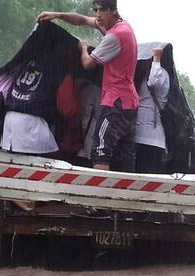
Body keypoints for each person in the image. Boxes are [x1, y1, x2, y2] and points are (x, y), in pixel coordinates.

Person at [37, 0, 139, 172]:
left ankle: (97, 197)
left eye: (101, 10)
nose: (97, 14)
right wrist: (58, 15)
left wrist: (83, 47)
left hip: (116, 101)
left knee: (100, 151)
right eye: (95, 10)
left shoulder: (115, 36)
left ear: (113, 10)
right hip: (129, 102)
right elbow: (83, 20)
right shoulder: (123, 27)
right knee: (124, 156)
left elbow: (87, 64)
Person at [135, 48, 170, 173]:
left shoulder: (161, 72)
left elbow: (154, 82)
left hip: (150, 137)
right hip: (141, 135)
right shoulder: (146, 74)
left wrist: (156, 59)